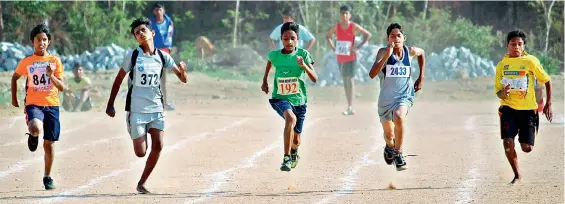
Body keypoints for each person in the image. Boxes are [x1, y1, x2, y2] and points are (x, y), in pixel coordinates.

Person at [105, 18, 188, 194]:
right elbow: (118, 80)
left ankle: (142, 182)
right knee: (141, 153)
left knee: (158, 145)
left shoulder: (162, 56)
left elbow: (182, 79)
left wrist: (183, 70)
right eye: (137, 32)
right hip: (136, 110)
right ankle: (134, 128)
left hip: (157, 108)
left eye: (143, 30)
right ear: (135, 38)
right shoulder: (133, 56)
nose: (141, 33)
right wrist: (110, 104)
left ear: (152, 33)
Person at [11, 22, 66, 190]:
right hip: (33, 104)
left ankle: (47, 176)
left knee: (49, 145)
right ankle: (33, 135)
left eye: (44, 39)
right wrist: (14, 98)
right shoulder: (27, 62)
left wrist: (51, 76)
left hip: (52, 106)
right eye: (37, 40)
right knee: (35, 127)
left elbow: (62, 87)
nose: (41, 43)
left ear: (48, 41)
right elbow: (15, 77)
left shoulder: (54, 61)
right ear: (32, 42)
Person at [494, 30, 552, 184]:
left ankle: (523, 134)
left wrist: (548, 104)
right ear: (507, 45)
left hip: (528, 110)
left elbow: (546, 80)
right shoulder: (501, 65)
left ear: (524, 46)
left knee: (527, 148)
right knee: (507, 141)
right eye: (513, 44)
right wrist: (503, 93)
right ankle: (517, 175)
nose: (516, 47)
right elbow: (498, 93)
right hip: (508, 109)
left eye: (519, 44)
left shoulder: (530, 61)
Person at [261, 22, 318, 172]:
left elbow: (315, 78)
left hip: (299, 101)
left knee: (297, 140)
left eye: (292, 38)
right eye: (286, 39)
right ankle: (286, 158)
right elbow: (270, 63)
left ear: (298, 38)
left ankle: (293, 151)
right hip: (280, 98)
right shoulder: (275, 55)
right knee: (290, 119)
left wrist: (304, 66)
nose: (289, 42)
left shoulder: (303, 55)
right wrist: (265, 80)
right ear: (281, 39)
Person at [368, 23, 425, 171]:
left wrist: (421, 77)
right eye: (392, 36)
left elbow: (422, 52)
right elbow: (372, 74)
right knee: (389, 134)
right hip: (385, 101)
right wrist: (387, 55)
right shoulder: (382, 52)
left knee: (399, 116)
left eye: (398, 35)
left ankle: (399, 153)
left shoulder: (410, 51)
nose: (396, 38)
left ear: (404, 38)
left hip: (404, 97)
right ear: (388, 38)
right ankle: (390, 146)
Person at [326, 5, 372, 115]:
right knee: (345, 81)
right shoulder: (336, 27)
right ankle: (349, 105)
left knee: (350, 80)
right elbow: (328, 36)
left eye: (347, 13)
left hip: (351, 57)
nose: (344, 15)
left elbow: (367, 35)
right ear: (340, 15)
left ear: (350, 15)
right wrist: (333, 48)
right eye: (342, 13)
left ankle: (350, 107)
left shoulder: (353, 26)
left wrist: (357, 47)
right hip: (341, 58)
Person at [150, 2, 175, 111]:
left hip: (165, 51)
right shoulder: (149, 23)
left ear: (163, 11)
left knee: (163, 78)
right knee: (153, 78)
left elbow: (169, 38)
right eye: (156, 10)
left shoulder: (169, 22)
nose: (158, 12)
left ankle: (165, 103)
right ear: (154, 12)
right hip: (153, 51)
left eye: (160, 10)